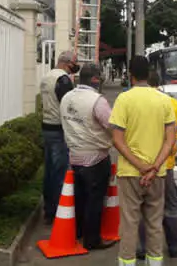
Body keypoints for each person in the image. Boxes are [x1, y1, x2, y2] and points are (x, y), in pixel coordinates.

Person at [109, 56, 176, 266]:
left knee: (129, 224)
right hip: (158, 174)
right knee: (155, 224)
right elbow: (170, 140)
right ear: (149, 74)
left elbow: (117, 140)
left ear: (131, 75)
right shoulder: (164, 100)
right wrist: (154, 167)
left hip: (130, 173)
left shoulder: (124, 100)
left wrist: (141, 166)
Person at [59, 63, 116, 250]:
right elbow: (112, 125)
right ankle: (92, 240)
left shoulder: (67, 98)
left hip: (74, 156)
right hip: (95, 158)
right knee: (95, 200)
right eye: (99, 78)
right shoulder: (96, 101)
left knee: (80, 197)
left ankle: (78, 232)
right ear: (94, 79)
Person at [136, 71, 177, 260]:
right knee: (170, 207)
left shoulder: (135, 102)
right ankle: (174, 247)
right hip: (165, 165)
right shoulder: (173, 104)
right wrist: (174, 147)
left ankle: (143, 248)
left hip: (142, 165)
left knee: (144, 207)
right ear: (160, 83)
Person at [40, 50, 80, 225]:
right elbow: (69, 106)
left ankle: (48, 209)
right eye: (74, 62)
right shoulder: (63, 80)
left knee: (49, 171)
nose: (75, 66)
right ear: (66, 63)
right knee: (59, 173)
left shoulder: (46, 77)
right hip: (59, 130)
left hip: (46, 127)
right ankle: (58, 211)